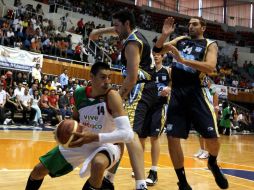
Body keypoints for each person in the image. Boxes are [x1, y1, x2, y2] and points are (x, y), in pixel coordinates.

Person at [25, 61, 134, 190]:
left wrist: (93, 137)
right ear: (91, 77)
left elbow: (128, 134)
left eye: (109, 77)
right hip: (82, 141)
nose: (107, 81)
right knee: (38, 170)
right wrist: (64, 129)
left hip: (108, 144)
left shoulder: (112, 96)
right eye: (103, 77)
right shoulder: (79, 93)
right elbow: (75, 119)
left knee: (98, 164)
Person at [153, 16, 229, 189]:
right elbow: (157, 51)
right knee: (172, 138)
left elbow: (210, 67)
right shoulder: (180, 40)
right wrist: (164, 35)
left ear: (203, 27)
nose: (190, 27)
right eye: (189, 25)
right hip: (178, 93)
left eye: (194, 24)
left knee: (213, 139)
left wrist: (183, 60)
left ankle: (213, 162)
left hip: (197, 92)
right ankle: (183, 181)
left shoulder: (210, 44)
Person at [89, 9, 158, 190]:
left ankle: (141, 184)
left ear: (127, 24)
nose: (115, 29)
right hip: (144, 89)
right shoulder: (133, 35)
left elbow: (132, 78)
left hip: (141, 88)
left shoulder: (132, 43)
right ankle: (109, 179)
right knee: (122, 131)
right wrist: (99, 32)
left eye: (117, 26)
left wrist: (117, 98)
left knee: (130, 134)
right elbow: (115, 29)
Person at [137, 52, 171, 186]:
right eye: (154, 54)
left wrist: (169, 88)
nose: (156, 56)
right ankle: (139, 166)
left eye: (159, 55)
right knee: (141, 138)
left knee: (154, 137)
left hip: (160, 106)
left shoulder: (168, 70)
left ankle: (154, 172)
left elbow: (175, 84)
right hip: (146, 106)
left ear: (162, 57)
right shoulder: (148, 70)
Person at [194, 78, 219, 159]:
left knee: (207, 132)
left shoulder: (207, 80)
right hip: (198, 108)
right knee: (199, 132)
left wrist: (216, 106)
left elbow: (215, 93)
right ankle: (202, 149)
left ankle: (208, 152)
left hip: (208, 108)